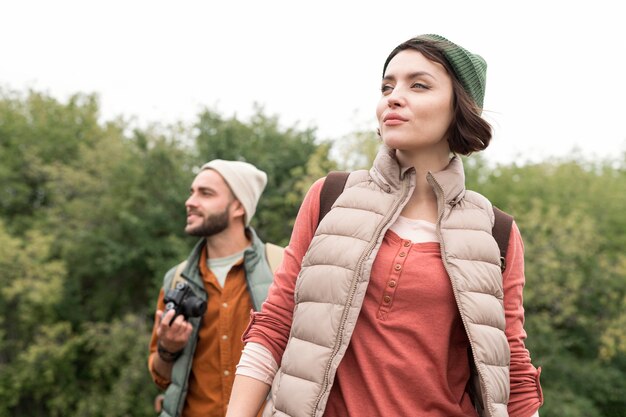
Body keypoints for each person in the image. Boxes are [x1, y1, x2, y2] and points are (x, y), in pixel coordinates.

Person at [226, 34, 543, 417]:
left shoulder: (497, 232)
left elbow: (513, 372)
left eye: (419, 85)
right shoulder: (331, 196)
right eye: (386, 86)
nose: (393, 97)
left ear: (460, 107)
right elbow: (276, 323)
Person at [148, 159, 279, 417]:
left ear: (238, 207)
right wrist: (167, 348)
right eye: (192, 192)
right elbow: (161, 377)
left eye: (205, 194)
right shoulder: (176, 279)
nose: (190, 202)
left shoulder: (282, 267)